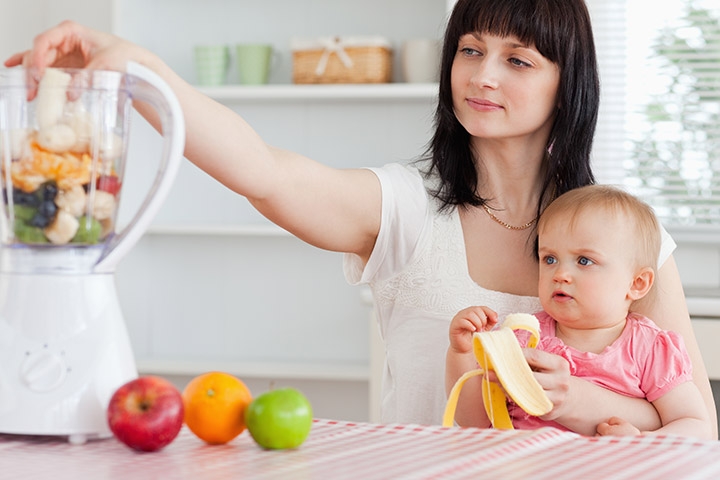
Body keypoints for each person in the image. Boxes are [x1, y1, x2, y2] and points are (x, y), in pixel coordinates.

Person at [6, 0, 716, 435]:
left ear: (570, 81)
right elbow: (263, 170)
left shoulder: (629, 240)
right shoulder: (406, 209)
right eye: (469, 50)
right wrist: (134, 67)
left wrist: (590, 402)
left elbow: (691, 425)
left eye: (518, 59)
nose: (482, 75)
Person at [446, 185, 712, 439]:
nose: (560, 274)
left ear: (636, 283)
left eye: (584, 261)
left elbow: (696, 426)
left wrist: (642, 441)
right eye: (549, 259)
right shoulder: (523, 340)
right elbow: (475, 420)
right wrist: (462, 353)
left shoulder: (649, 348)